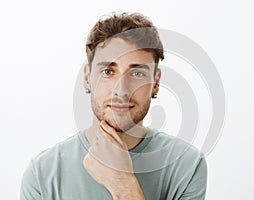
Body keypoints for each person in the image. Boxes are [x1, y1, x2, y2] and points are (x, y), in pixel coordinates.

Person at [20, 12, 207, 200]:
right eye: (108, 71)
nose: (121, 90)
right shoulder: (42, 173)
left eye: (137, 74)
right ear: (87, 77)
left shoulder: (187, 165)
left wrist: (122, 183)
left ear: (156, 82)